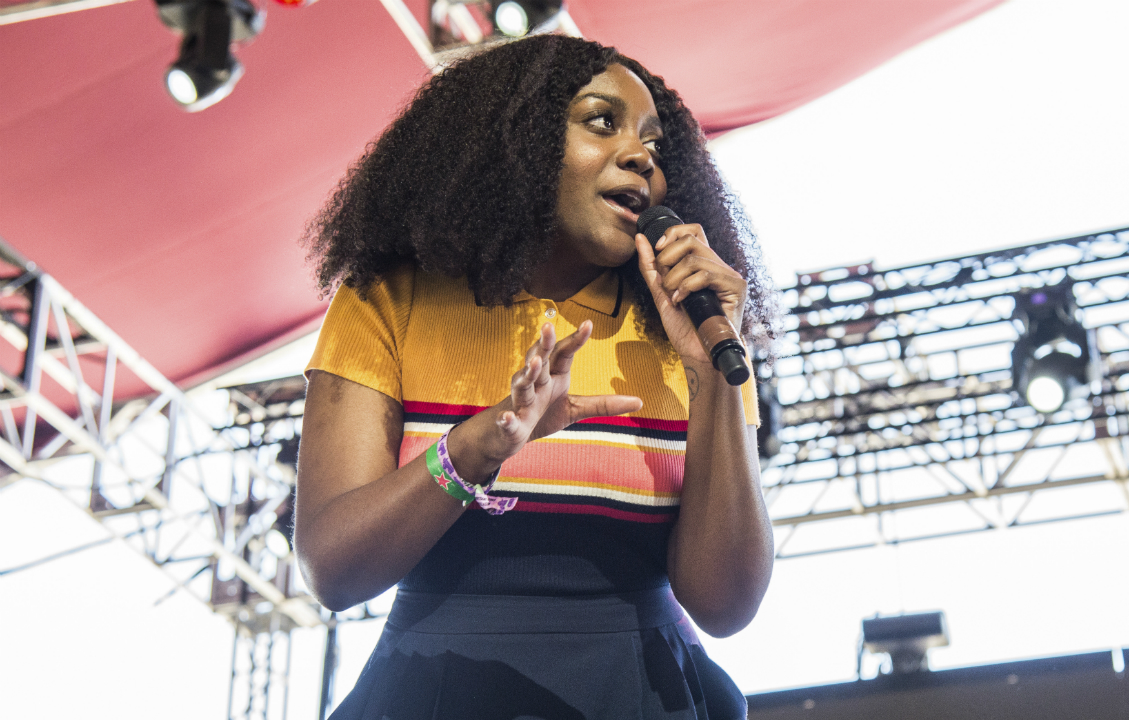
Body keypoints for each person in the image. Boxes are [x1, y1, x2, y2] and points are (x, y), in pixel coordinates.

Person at [296, 34, 778, 719]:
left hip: (643, 694)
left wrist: (712, 373)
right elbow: (333, 570)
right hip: (436, 694)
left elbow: (726, 606)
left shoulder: (693, 331)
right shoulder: (391, 301)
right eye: (601, 121)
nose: (642, 155)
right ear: (513, 143)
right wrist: (477, 447)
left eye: (654, 143)